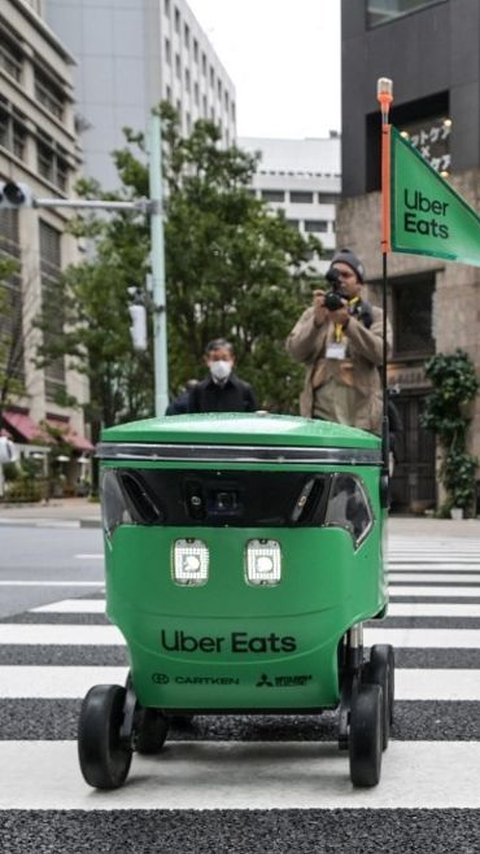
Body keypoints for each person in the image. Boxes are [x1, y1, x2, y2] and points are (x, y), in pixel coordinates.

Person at [286, 248, 392, 434]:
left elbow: (382, 353)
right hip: (319, 417)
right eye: (336, 274)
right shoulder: (315, 313)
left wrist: (348, 323)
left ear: (359, 283)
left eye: (346, 275)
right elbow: (295, 351)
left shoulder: (373, 315)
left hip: (360, 419)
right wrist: (316, 323)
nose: (340, 279)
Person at [187, 338, 258, 413]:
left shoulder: (244, 390)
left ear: (232, 360)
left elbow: (252, 420)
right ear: (207, 361)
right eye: (215, 359)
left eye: (225, 358)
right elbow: (191, 420)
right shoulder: (198, 391)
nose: (220, 363)